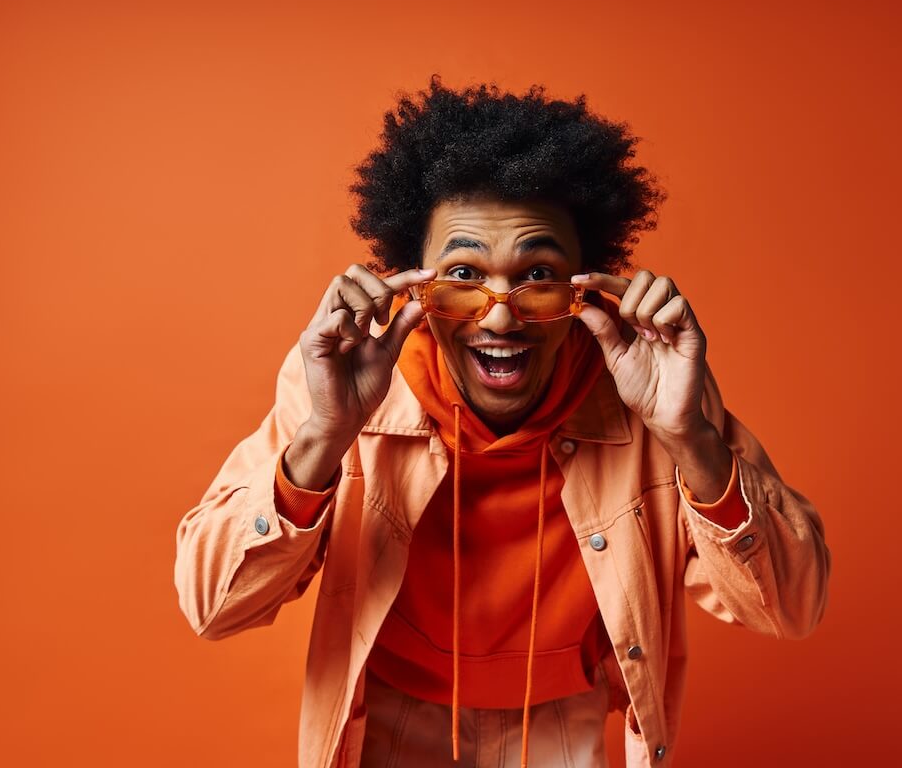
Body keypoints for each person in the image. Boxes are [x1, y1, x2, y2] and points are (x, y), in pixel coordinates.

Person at [174, 76, 831, 768]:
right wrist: (325, 437)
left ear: (586, 285)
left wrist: (689, 435)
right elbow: (214, 607)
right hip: (392, 721)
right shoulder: (340, 386)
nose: (498, 315)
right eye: (463, 274)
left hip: (558, 725)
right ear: (413, 283)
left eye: (537, 274)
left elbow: (791, 605)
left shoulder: (652, 392)